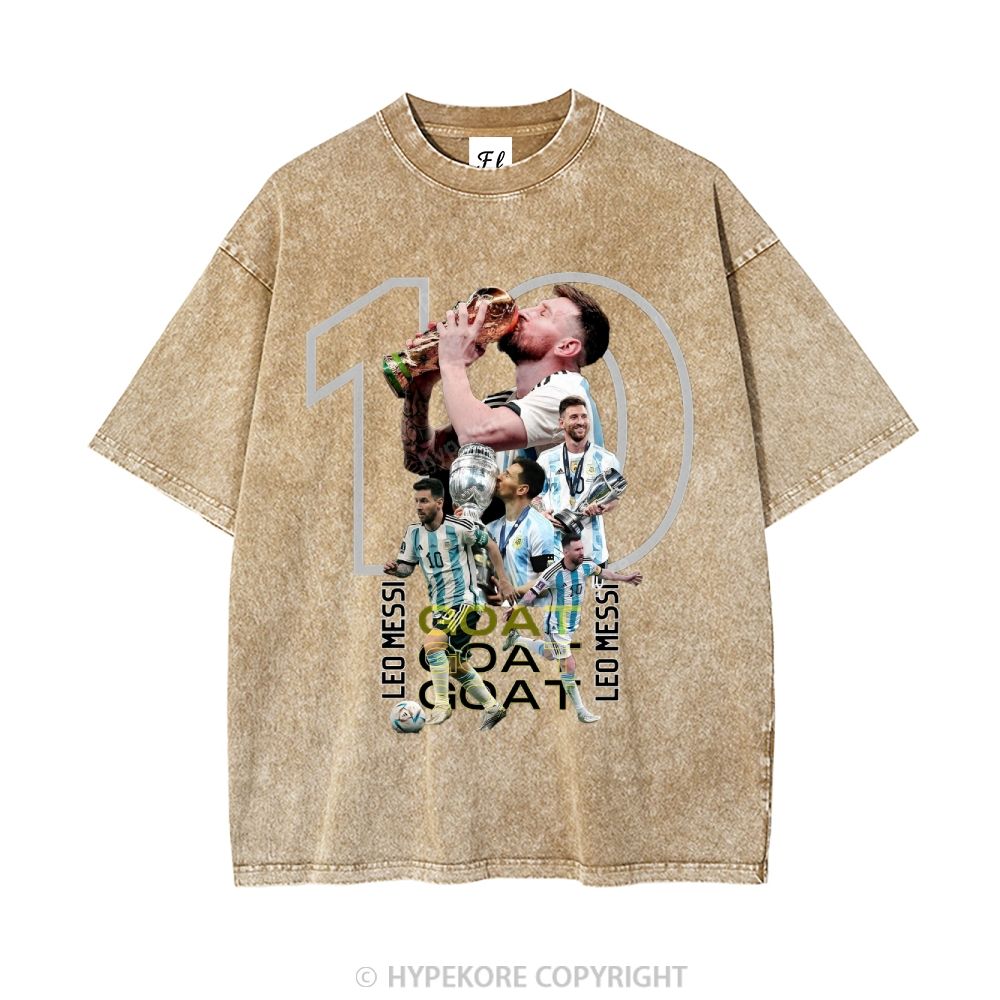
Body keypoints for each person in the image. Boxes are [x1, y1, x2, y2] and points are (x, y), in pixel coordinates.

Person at [400, 285, 612, 492]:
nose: (523, 312)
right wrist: (420, 385)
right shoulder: (502, 406)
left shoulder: (567, 395)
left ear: (566, 347)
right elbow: (421, 460)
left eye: (543, 313)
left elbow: (473, 433)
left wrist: (453, 362)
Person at [384, 477, 516, 730]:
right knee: (455, 665)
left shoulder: (459, 527)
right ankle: (493, 706)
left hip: (465, 601)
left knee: (432, 644)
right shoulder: (413, 533)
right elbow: (406, 569)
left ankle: (442, 705)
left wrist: (504, 581)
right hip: (441, 607)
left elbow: (490, 545)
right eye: (416, 501)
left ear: (439, 502)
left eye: (424, 501)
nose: (419, 506)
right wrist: (396, 570)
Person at [500, 532, 642, 724]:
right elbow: (532, 593)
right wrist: (515, 609)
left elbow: (603, 573)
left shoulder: (586, 565)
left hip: (570, 626)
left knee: (549, 654)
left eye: (582, 548)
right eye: (577, 550)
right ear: (566, 552)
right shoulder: (552, 573)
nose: (582, 552)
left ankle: (516, 639)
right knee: (569, 664)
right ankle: (581, 711)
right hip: (555, 626)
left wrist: (624, 578)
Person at [534, 395, 621, 569]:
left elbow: (615, 498)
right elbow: (535, 496)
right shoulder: (546, 459)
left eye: (584, 416)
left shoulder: (606, 459)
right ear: (562, 423)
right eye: (574, 417)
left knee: (595, 587)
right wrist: (542, 513)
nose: (580, 422)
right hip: (555, 551)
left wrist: (603, 506)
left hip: (593, 553)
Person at [483, 458, 556, 600]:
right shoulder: (490, 528)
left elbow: (546, 582)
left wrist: (513, 592)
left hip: (529, 610)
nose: (498, 477)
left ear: (522, 489)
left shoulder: (539, 527)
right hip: (497, 609)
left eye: (507, 475)